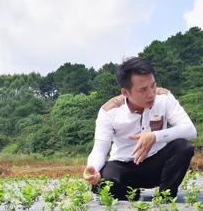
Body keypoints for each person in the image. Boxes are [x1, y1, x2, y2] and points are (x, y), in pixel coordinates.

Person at [83, 57, 196, 200]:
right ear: (125, 92)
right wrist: (93, 168)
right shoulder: (109, 111)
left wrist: (155, 136)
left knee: (183, 147)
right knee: (102, 184)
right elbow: (100, 149)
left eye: (153, 85)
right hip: (124, 166)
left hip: (156, 165)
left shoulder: (164, 98)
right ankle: (130, 194)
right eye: (143, 90)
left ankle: (166, 196)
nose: (151, 94)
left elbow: (190, 130)